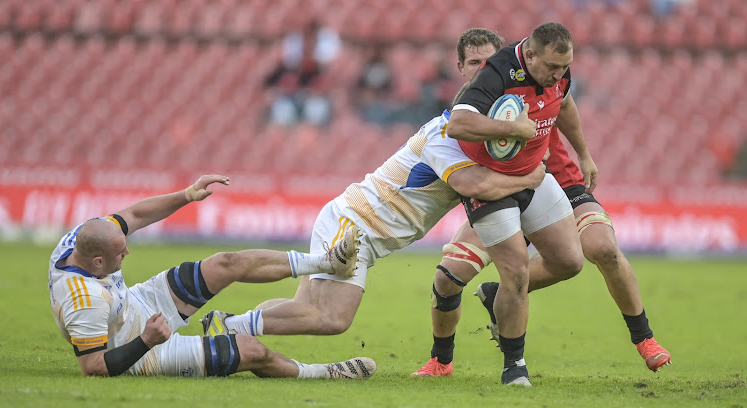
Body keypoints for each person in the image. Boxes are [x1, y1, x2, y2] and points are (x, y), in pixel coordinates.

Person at [412, 26, 671, 379]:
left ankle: (645, 340)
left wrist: (584, 154)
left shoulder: (545, 75)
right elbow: (462, 153)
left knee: (598, 250)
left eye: (489, 59)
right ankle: (443, 360)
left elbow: (563, 102)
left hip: (553, 181)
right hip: (501, 188)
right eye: (475, 62)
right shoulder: (474, 105)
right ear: (460, 67)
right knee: (449, 277)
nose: (483, 67)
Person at [201, 107, 547, 350]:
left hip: (350, 216)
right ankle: (229, 327)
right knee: (332, 318)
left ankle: (229, 327)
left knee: (304, 306)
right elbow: (475, 186)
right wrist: (530, 176)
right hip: (355, 225)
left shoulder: (468, 138)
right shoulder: (445, 137)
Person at [48, 174, 376, 379]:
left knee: (225, 263)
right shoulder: (83, 300)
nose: (128, 253)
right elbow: (94, 367)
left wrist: (186, 195)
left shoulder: (88, 235)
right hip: (135, 346)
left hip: (138, 302)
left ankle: (327, 262)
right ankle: (323, 373)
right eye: (121, 254)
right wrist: (146, 340)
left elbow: (134, 214)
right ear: (97, 261)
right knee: (251, 352)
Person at [430, 22, 591, 386]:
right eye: (552, 67)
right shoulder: (498, 73)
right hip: (490, 185)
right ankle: (514, 366)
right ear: (530, 54)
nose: (558, 74)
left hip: (533, 177)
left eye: (563, 68)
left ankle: (495, 296)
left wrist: (584, 154)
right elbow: (458, 124)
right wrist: (512, 130)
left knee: (570, 260)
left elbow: (564, 103)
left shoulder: (557, 70)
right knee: (516, 273)